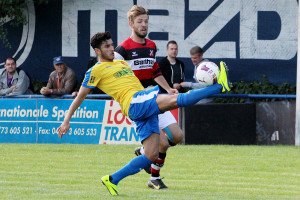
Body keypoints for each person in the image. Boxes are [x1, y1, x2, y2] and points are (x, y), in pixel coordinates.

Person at [57, 31, 230, 196]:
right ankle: (219, 86)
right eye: (107, 46)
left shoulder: (120, 62)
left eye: (112, 45)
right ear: (97, 51)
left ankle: (112, 179)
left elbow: (144, 64)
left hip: (140, 103)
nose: (112, 49)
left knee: (151, 155)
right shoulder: (95, 71)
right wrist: (66, 121)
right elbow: (80, 97)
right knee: (178, 101)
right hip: (134, 102)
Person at [114, 5, 184, 189]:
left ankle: (145, 152)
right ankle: (154, 178)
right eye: (140, 21)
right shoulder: (122, 50)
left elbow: (155, 71)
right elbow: (114, 76)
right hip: (139, 103)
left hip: (154, 97)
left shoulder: (151, 46)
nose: (144, 25)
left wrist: (168, 89)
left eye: (146, 21)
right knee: (161, 142)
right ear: (131, 23)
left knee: (177, 136)